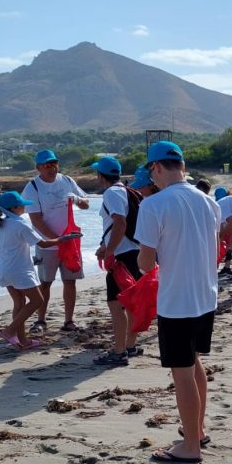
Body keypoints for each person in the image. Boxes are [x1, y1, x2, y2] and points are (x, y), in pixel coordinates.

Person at [135, 141, 222, 464]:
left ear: (156, 167)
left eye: (151, 171)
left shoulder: (153, 205)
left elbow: (145, 263)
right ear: (182, 166)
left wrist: (152, 265)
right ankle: (196, 431)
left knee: (182, 373)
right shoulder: (208, 201)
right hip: (205, 295)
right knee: (194, 363)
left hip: (177, 300)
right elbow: (213, 247)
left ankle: (191, 447)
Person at [0, 191, 76, 351]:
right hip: (19, 270)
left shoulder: (1, 224)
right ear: (14, 208)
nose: (25, 207)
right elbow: (42, 244)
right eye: (22, 205)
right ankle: (9, 331)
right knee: (37, 301)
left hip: (3, 268)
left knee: (19, 303)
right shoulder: (20, 224)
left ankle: (23, 341)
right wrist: (64, 238)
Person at [20, 149, 90, 333]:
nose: (51, 168)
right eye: (47, 165)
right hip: (47, 244)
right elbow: (36, 220)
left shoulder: (66, 180)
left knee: (70, 281)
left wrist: (77, 199)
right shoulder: (33, 188)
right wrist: (57, 240)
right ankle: (41, 320)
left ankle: (69, 321)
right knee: (45, 283)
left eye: (54, 164)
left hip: (70, 243)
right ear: (38, 168)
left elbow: (86, 204)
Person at [92, 156, 142, 367]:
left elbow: (120, 223)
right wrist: (106, 247)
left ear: (100, 175)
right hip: (135, 252)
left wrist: (110, 251)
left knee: (116, 305)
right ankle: (129, 346)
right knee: (130, 303)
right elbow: (121, 226)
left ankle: (119, 352)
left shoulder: (111, 193)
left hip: (123, 256)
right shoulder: (128, 191)